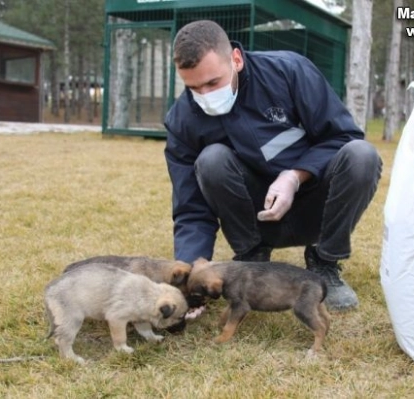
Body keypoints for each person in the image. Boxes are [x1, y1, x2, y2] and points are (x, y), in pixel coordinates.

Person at [164, 20, 382, 311]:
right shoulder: (182, 121)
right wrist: (188, 284)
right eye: (193, 88)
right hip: (255, 220)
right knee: (211, 159)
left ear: (236, 60)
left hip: (314, 207)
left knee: (362, 155)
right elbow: (190, 209)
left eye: (213, 82)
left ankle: (324, 262)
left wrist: (294, 176)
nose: (205, 96)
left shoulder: (289, 71)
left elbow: (343, 135)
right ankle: (252, 259)